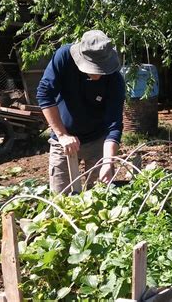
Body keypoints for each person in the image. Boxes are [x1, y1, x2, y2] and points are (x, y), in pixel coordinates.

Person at [37, 30, 125, 194]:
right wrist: (62, 135)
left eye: (101, 69)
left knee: (100, 196)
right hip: (63, 141)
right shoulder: (63, 57)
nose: (98, 74)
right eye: (94, 69)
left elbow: (114, 126)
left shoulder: (115, 80)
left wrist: (108, 162)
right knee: (61, 198)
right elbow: (44, 94)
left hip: (98, 140)